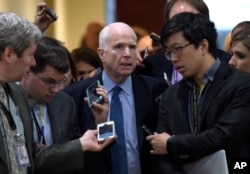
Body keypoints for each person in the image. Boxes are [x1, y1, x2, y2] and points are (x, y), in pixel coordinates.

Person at [0, 12, 113, 174]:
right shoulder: (19, 92)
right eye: (30, 55)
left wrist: (81, 143)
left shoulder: (15, 93)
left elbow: (31, 158)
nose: (32, 62)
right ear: (9, 54)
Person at [146, 12, 250, 174]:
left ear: (203, 46)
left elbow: (224, 135)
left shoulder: (241, 83)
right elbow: (160, 152)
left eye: (178, 49)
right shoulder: (170, 96)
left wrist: (172, 143)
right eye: (169, 52)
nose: (173, 58)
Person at [64, 22, 167, 174]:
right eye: (119, 47)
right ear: (101, 54)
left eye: (132, 47)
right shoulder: (77, 94)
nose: (127, 53)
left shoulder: (154, 89)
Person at [138, 0, 231, 84]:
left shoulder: (230, 64)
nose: (183, 30)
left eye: (191, 20)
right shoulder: (151, 66)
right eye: (177, 22)